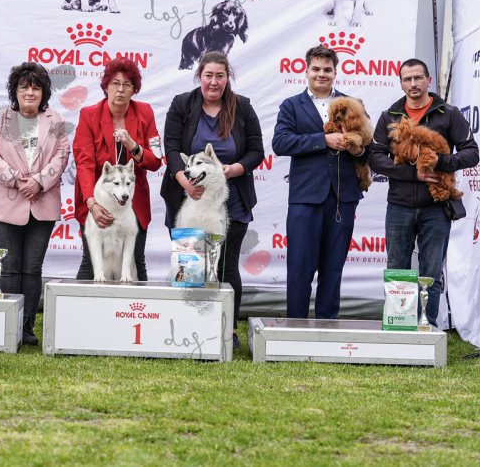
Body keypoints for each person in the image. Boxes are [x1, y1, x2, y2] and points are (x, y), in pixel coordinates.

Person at [161, 52, 264, 342]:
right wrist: (185, 182)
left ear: (227, 78)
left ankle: (227, 330)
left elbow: (257, 150)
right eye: (208, 75)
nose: (214, 82)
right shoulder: (182, 104)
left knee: (226, 266)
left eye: (220, 76)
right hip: (187, 199)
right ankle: (187, 328)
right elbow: (171, 148)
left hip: (232, 201)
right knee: (190, 265)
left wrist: (234, 169)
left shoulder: (242, 107)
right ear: (200, 76)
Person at [368, 58, 479, 328]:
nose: (413, 83)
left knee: (431, 272)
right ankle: (399, 325)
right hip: (399, 206)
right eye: (407, 79)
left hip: (436, 207)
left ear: (428, 80)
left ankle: (426, 327)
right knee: (397, 270)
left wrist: (440, 162)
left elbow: (471, 153)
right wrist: (412, 173)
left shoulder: (448, 113)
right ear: (401, 83)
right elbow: (375, 157)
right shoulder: (390, 116)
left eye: (418, 77)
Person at [273, 45, 370, 319]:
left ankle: (327, 326)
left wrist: (357, 150)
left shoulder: (353, 104)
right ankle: (295, 326)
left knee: (333, 267)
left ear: (335, 72)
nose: (321, 74)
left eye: (327, 69)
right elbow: (280, 143)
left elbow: (369, 148)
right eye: (316, 69)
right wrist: (322, 140)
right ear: (306, 71)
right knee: (300, 267)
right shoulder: (291, 105)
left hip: (343, 197)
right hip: (305, 197)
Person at [0, 62, 71, 345]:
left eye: (35, 87)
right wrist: (17, 180)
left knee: (33, 268)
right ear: (15, 91)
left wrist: (40, 182)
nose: (30, 92)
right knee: (10, 267)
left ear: (44, 92)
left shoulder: (56, 120)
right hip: (7, 203)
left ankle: (27, 328)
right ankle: (8, 326)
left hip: (42, 203)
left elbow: (62, 155)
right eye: (24, 87)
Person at [73, 57, 162, 281]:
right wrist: (92, 204)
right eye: (115, 83)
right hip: (97, 200)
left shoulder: (145, 113)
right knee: (91, 263)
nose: (120, 90)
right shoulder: (88, 115)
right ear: (105, 86)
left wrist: (133, 146)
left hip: (133, 201)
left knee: (136, 262)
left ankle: (138, 304)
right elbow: (84, 163)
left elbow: (155, 161)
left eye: (127, 84)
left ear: (134, 89)